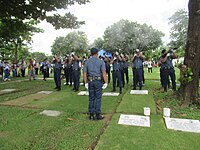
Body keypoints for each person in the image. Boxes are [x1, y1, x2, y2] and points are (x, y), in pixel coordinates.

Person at [83, 47, 107, 120]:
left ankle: (91, 114)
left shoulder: (87, 62)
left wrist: (85, 82)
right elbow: (103, 72)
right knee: (98, 98)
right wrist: (106, 82)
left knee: (91, 98)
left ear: (91, 53)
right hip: (97, 81)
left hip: (90, 81)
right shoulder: (100, 61)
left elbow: (84, 73)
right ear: (97, 53)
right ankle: (97, 114)